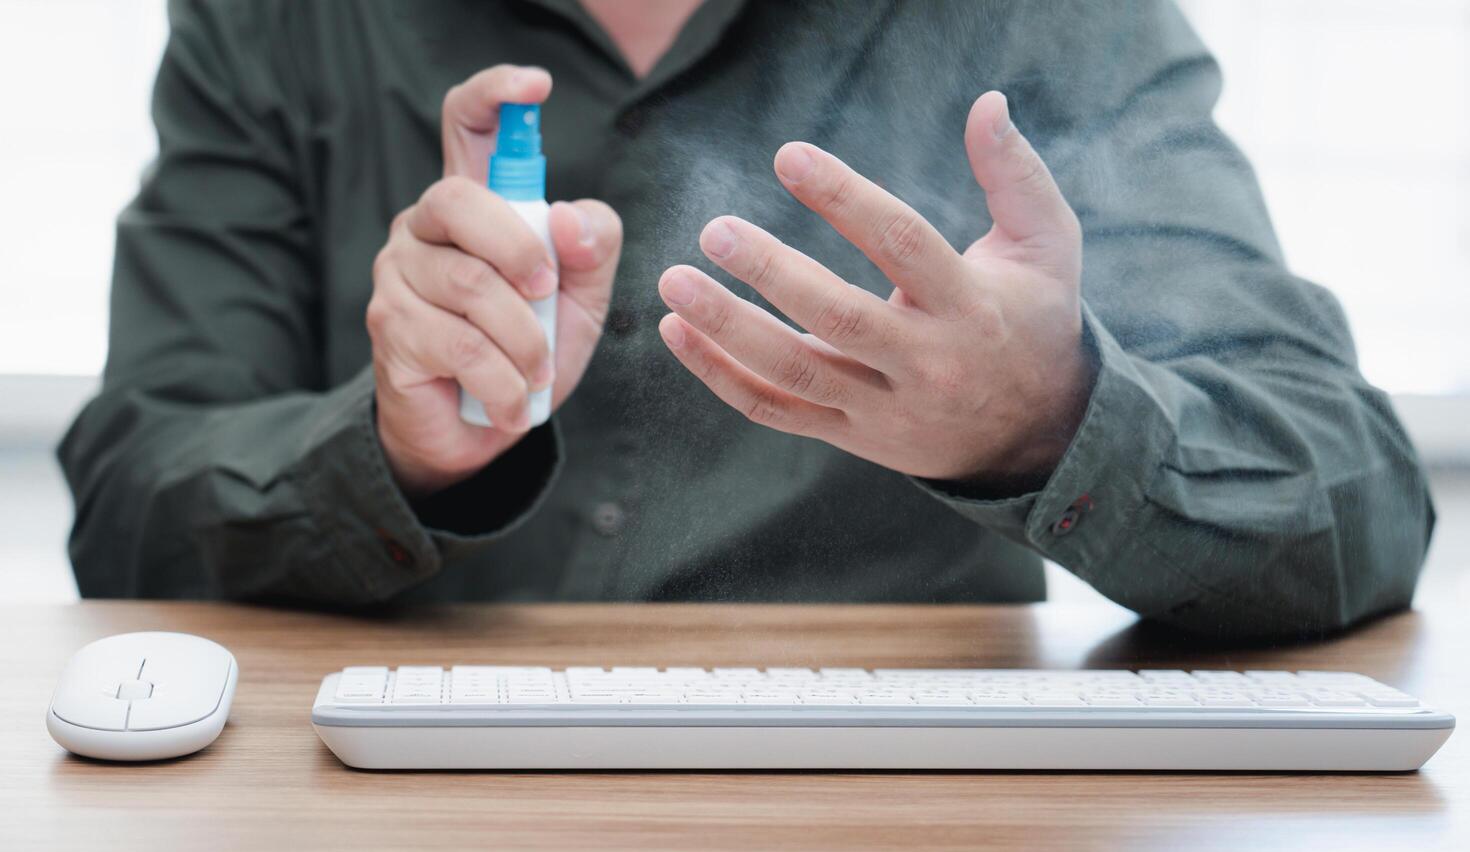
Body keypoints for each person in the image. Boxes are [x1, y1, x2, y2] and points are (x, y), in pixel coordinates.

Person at [60, 0, 1434, 638]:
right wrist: (395, 453)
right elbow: (128, 509)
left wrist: (1053, 422)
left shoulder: (1047, 17)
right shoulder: (276, 22)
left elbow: (1348, 501)